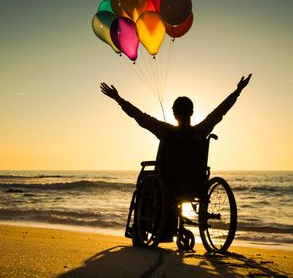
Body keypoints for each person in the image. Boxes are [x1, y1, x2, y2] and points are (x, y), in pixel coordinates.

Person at [100, 74, 252, 240]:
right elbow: (219, 112)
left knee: (146, 179)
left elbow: (139, 116)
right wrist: (237, 91)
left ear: (174, 113)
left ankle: (142, 229)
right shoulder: (201, 131)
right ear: (192, 112)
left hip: (168, 186)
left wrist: (118, 99)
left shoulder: (165, 131)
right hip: (195, 186)